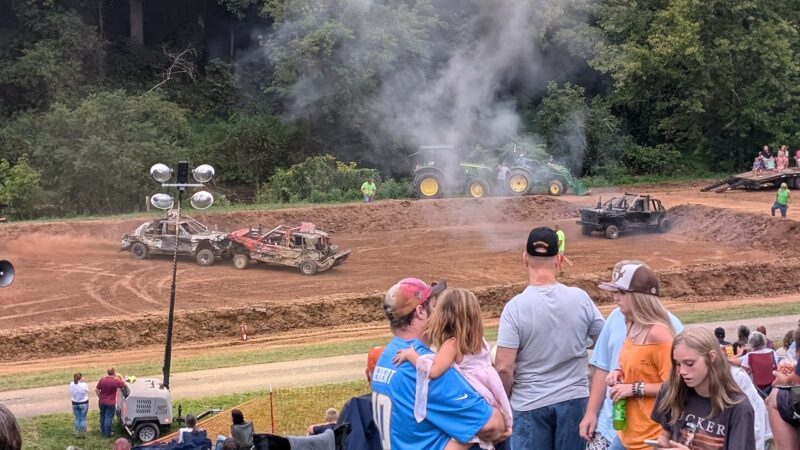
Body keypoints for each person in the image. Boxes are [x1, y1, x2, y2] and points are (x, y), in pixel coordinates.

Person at [494, 227, 604, 450]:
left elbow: (504, 367)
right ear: (560, 260)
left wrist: (503, 401)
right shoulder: (580, 299)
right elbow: (605, 342)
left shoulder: (515, 308)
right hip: (575, 399)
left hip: (529, 403)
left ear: (525, 259)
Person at [371, 277, 507, 449]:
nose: (440, 314)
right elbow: (492, 426)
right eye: (435, 307)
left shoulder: (387, 356)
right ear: (420, 311)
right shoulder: (424, 367)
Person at [580, 260, 684, 450]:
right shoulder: (630, 324)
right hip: (628, 433)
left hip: (651, 437)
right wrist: (618, 373)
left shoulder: (660, 333)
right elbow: (628, 364)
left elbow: (675, 387)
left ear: (639, 297)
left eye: (621, 293)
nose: (615, 298)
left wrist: (634, 388)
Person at [652, 327, 755, 449]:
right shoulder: (671, 390)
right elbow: (665, 435)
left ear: (711, 357)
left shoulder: (738, 407)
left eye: (689, 363)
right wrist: (661, 444)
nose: (682, 371)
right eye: (678, 364)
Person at [740, 331, 778, 397]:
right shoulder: (772, 352)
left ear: (751, 342)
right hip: (771, 386)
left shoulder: (749, 356)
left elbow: (742, 373)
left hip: (756, 389)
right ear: (764, 341)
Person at [96, 367, 125, 438]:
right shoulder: (115, 381)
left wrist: (100, 397)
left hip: (101, 402)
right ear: (114, 372)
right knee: (108, 418)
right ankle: (107, 434)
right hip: (110, 402)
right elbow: (123, 384)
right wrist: (120, 375)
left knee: (102, 416)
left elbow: (96, 389)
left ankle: (102, 430)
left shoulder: (102, 379)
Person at [69, 372, 89, 438]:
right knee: (83, 419)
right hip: (83, 403)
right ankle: (83, 434)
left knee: (77, 418)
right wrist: (83, 381)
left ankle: (77, 433)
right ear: (80, 378)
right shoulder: (84, 384)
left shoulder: (71, 384)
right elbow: (87, 391)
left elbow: (75, 383)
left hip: (74, 403)